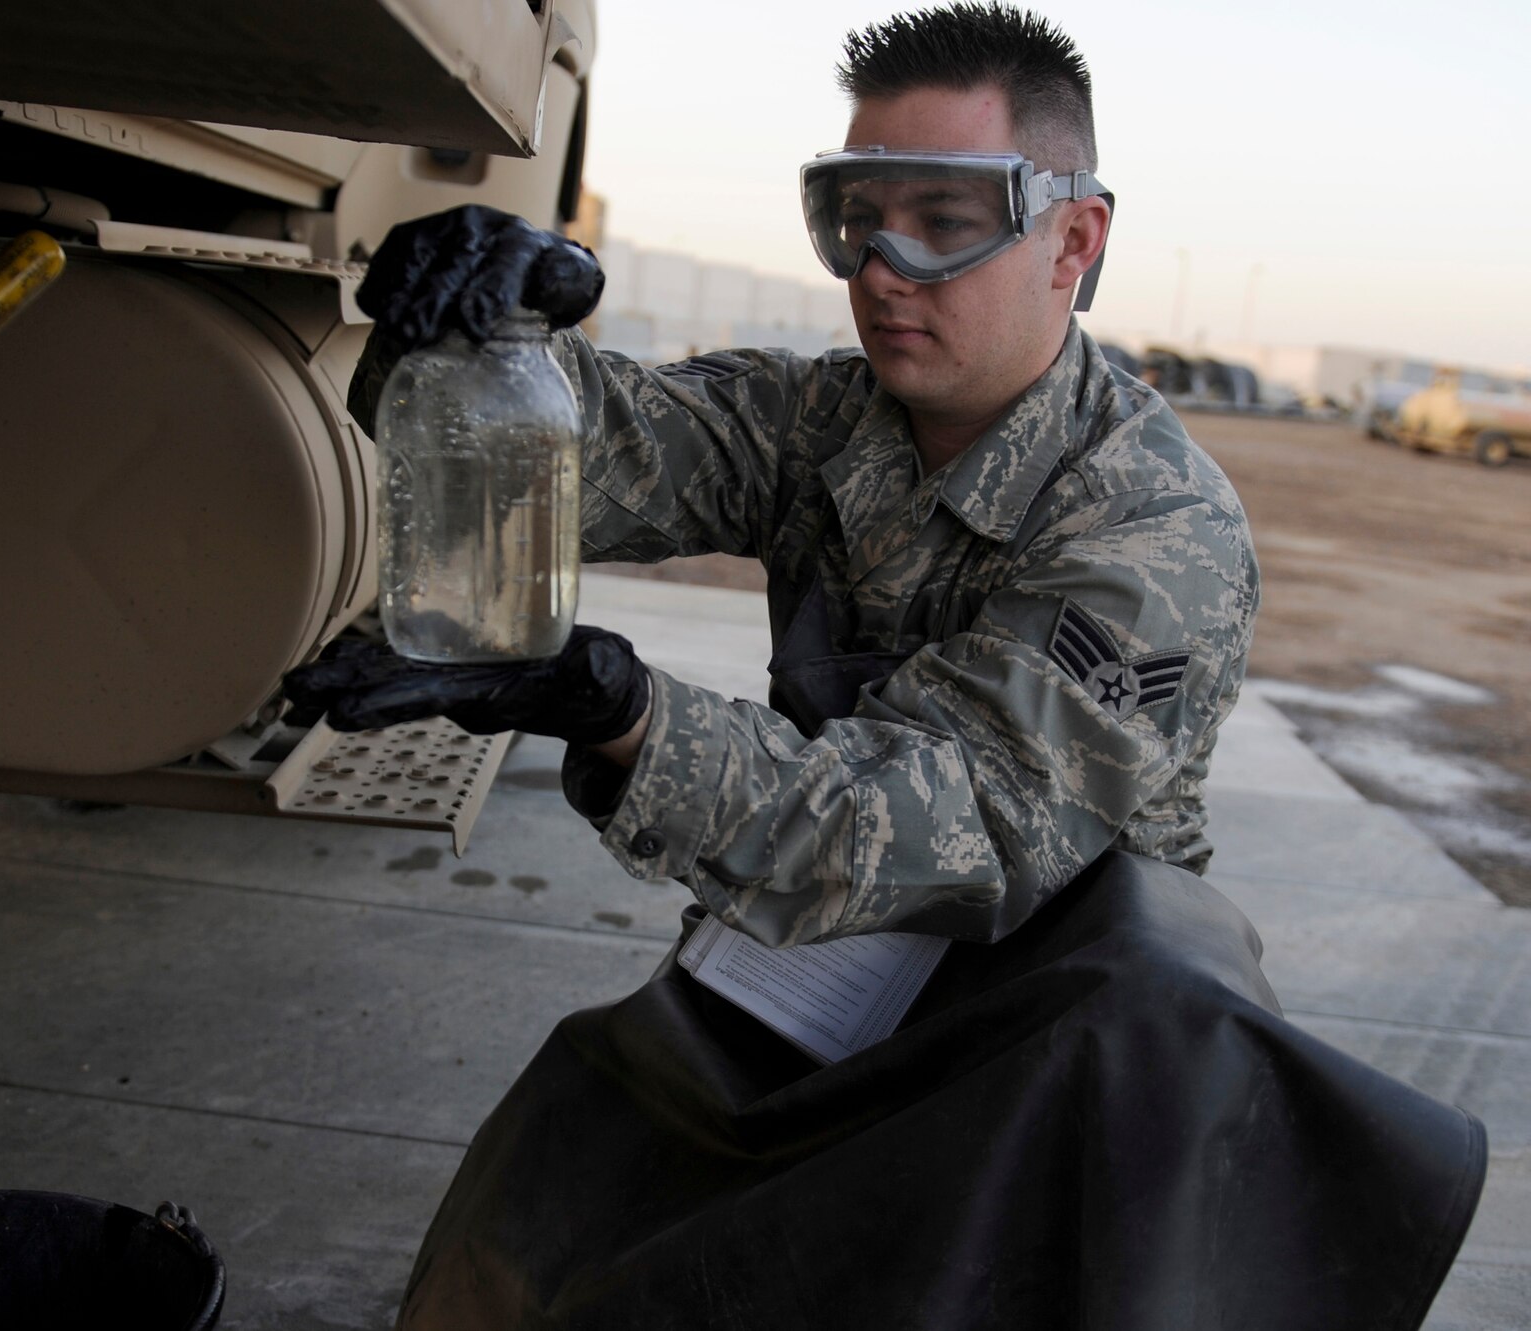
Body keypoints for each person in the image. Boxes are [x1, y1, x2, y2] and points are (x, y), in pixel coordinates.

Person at [288, 6, 1485, 1327]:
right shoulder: (827, 417)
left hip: (1061, 1018)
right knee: (557, 1216)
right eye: (854, 215)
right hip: (834, 942)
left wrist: (617, 710)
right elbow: (588, 455)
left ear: (1073, 242)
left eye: (947, 218)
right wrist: (471, 330)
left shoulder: (1158, 533)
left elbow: (952, 825)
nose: (883, 265)